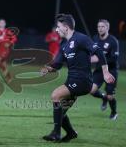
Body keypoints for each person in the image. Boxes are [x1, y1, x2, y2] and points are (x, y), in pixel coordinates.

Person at [40, 14, 115, 142]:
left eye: (58, 27)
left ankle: (55, 134)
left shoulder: (81, 38)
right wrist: (48, 69)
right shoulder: (64, 44)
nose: (57, 30)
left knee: (55, 95)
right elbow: (57, 64)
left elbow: (99, 52)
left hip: (82, 81)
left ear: (66, 27)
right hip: (72, 81)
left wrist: (106, 72)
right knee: (60, 113)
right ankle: (71, 133)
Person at [91, 19, 119, 120]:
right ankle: (103, 98)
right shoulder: (95, 38)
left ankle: (114, 112)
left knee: (110, 95)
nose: (100, 29)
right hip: (99, 70)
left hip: (111, 70)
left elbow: (114, 58)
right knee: (92, 90)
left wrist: (99, 58)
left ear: (107, 28)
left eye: (102, 27)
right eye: (99, 27)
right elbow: (91, 52)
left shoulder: (113, 41)